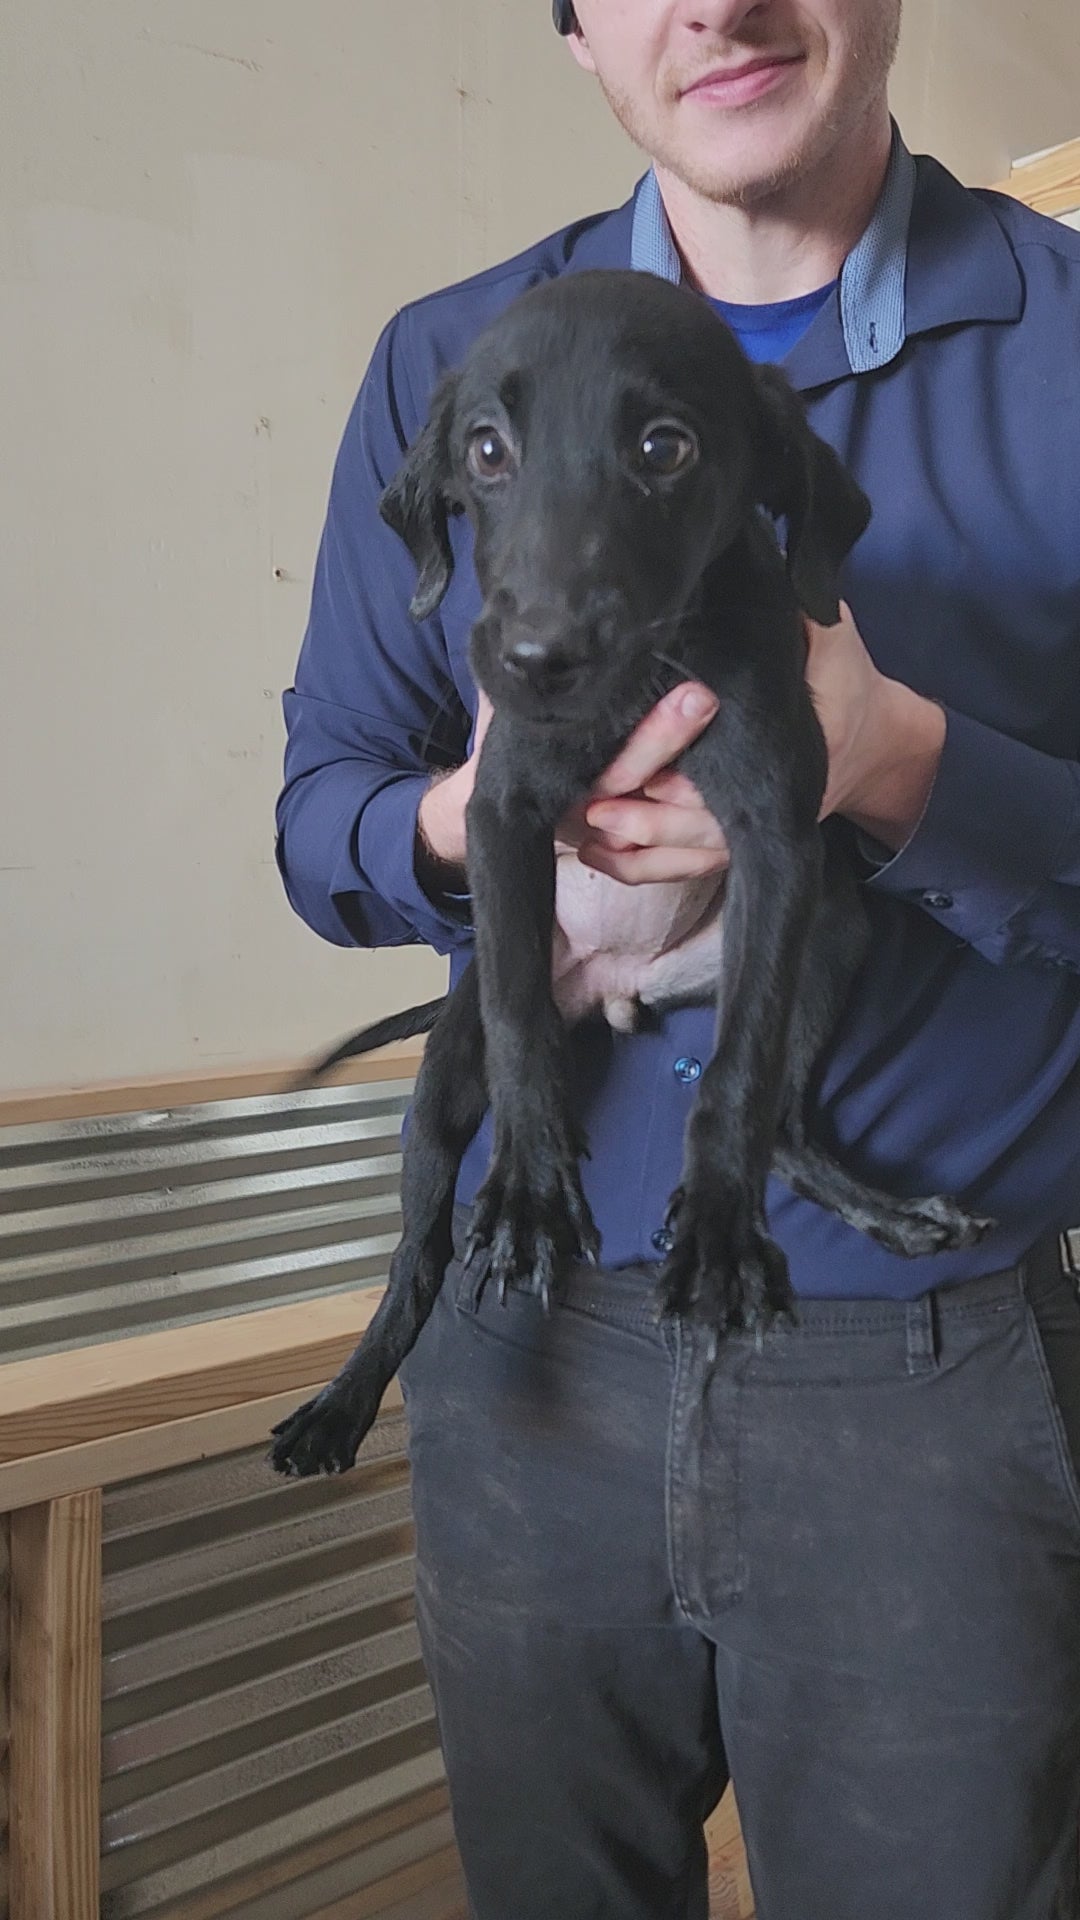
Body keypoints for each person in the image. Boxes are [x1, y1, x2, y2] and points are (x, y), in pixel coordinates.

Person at [275, 4, 1080, 1914]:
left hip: (927, 1374)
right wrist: (476, 818)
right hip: (523, 1343)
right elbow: (324, 816)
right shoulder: (445, 364)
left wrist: (899, 765)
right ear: (570, 27)